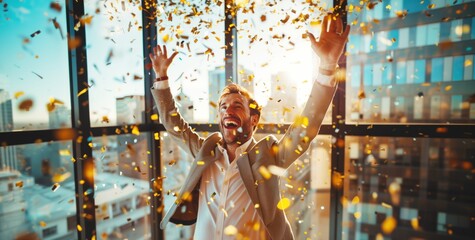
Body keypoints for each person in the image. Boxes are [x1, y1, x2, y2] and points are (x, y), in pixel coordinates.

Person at [149, 15, 350, 240]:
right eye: (223, 107)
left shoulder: (268, 156)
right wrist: (162, 77)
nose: (228, 111)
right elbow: (173, 123)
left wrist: (327, 66)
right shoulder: (206, 151)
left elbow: (306, 128)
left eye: (237, 106)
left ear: (253, 119)